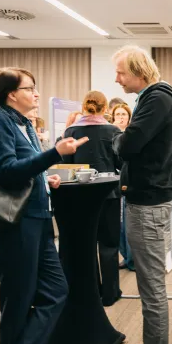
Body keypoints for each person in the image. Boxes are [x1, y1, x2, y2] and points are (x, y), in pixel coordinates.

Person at [0, 67, 88, 344]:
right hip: (14, 225)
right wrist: (54, 153)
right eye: (30, 88)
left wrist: (44, 179)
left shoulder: (22, 123)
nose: (37, 94)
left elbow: (23, 169)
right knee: (18, 301)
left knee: (56, 291)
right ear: (12, 94)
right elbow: (6, 170)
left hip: (36, 220)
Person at [111, 45, 172, 344]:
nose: (117, 79)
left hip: (148, 207)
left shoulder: (156, 99)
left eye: (121, 72)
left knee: (152, 291)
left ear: (139, 72)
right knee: (148, 288)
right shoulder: (153, 99)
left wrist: (117, 139)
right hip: (149, 203)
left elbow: (127, 146)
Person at [63, 90, 123, 306]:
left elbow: (66, 165)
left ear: (84, 106)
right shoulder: (113, 131)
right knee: (109, 244)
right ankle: (110, 293)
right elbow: (120, 163)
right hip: (108, 194)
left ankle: (91, 292)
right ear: (105, 108)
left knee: (86, 245)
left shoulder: (71, 130)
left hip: (80, 196)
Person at [112, 102, 135, 271]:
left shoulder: (130, 135)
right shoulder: (109, 133)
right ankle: (126, 256)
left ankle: (131, 259)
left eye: (123, 114)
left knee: (128, 223)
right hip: (113, 183)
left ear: (129, 118)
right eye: (117, 114)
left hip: (128, 182)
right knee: (118, 224)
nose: (120, 117)